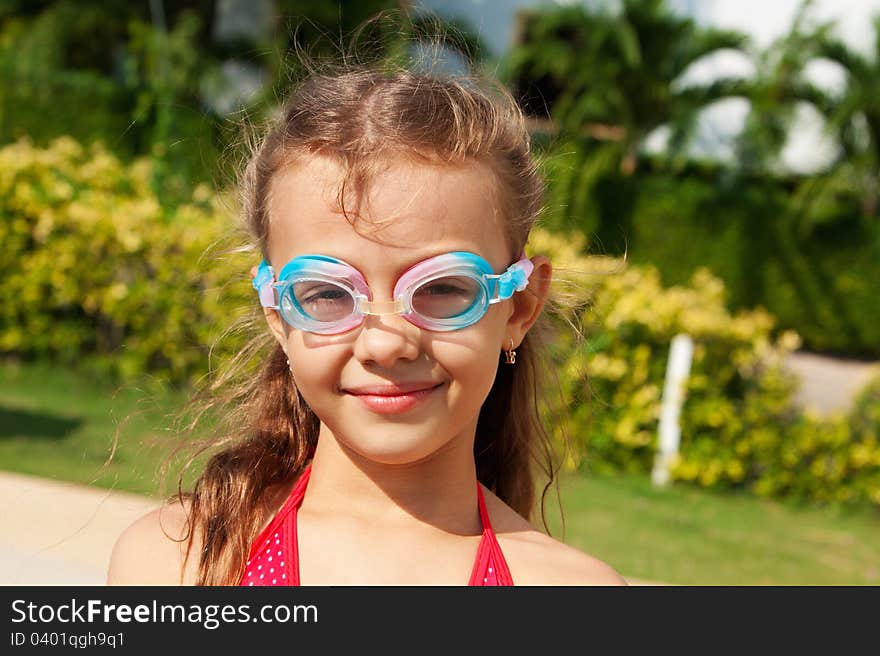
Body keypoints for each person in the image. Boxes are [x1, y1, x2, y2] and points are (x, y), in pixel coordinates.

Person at [106, 59, 627, 586]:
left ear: (517, 307)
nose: (384, 343)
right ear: (277, 314)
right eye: (329, 294)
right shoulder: (180, 564)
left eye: (442, 289)